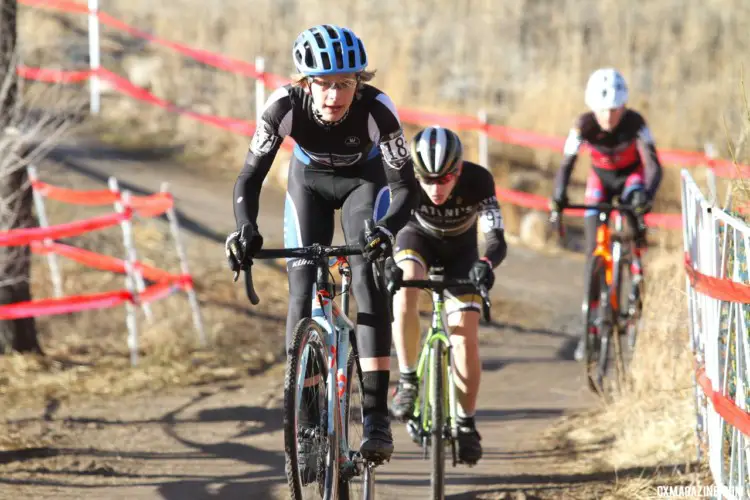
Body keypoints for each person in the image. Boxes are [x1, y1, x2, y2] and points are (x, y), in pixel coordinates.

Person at [224, 24, 419, 465]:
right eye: (324, 85)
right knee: (302, 291)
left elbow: (405, 186)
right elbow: (249, 177)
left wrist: (385, 229)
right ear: (305, 82)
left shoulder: (377, 110)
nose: (334, 96)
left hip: (363, 186)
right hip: (307, 183)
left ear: (359, 82)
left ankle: (375, 418)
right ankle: (308, 418)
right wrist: (246, 228)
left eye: (345, 84)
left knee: (368, 280)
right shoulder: (283, 107)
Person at [389, 126, 507, 465]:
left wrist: (486, 263)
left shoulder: (479, 181)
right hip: (416, 240)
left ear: (459, 170)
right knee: (406, 284)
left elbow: (495, 236)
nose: (435, 188)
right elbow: (386, 222)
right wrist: (386, 263)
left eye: (444, 179)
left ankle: (466, 423)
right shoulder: (403, 178)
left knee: (465, 336)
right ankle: (409, 379)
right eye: (426, 180)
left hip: (462, 254)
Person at [549, 68, 663, 361]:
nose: (610, 117)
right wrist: (558, 198)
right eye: (604, 111)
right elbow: (566, 165)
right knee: (592, 254)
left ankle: (636, 269)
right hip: (600, 181)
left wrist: (646, 198)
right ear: (593, 108)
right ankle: (590, 331)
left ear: (624, 106)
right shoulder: (583, 125)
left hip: (630, 179)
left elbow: (653, 166)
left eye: (615, 109)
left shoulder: (636, 123)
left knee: (635, 203)